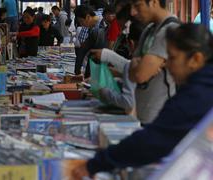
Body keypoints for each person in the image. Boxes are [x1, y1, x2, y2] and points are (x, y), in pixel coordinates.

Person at [73, 23, 213, 179]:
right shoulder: (202, 85)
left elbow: (153, 140)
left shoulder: (197, 95)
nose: (167, 65)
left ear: (196, 59)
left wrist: (94, 164)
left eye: (172, 58)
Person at [128, 0, 179, 124]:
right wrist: (140, 64)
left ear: (154, 2)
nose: (133, 12)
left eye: (138, 5)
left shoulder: (170, 30)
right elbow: (131, 71)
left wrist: (140, 65)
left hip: (161, 116)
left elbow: (140, 75)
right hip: (144, 113)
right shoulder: (149, 29)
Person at [90, 20, 145, 113]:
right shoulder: (153, 62)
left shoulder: (133, 65)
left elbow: (128, 102)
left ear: (130, 43)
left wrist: (103, 91)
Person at [74, 5, 107, 78]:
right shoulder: (93, 25)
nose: (82, 25)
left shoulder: (100, 28)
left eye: (81, 21)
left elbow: (84, 48)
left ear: (88, 17)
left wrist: (79, 72)